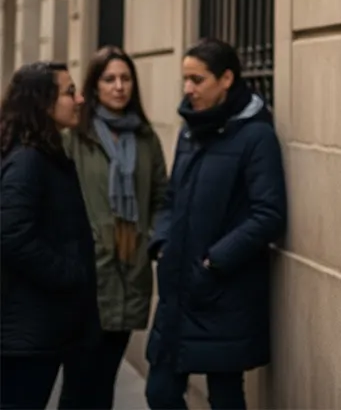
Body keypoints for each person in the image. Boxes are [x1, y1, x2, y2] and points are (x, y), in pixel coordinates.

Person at [145, 38, 287, 410]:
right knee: (159, 392)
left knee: (225, 396)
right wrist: (161, 242)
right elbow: (171, 197)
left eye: (197, 79)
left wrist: (213, 262)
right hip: (177, 288)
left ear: (226, 79)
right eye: (185, 80)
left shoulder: (256, 136)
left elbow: (268, 213)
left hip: (222, 291)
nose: (189, 89)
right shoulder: (189, 130)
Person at [60, 46, 169, 410]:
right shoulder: (76, 138)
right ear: (94, 87)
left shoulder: (145, 138)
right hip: (88, 276)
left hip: (131, 269)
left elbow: (161, 197)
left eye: (125, 79)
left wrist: (150, 239)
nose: (119, 87)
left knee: (105, 379)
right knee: (79, 385)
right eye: (109, 79)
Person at [0, 62, 99, 410]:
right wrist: (68, 273)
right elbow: (12, 235)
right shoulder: (27, 161)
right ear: (44, 103)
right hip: (27, 331)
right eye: (70, 92)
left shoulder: (47, 154)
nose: (81, 99)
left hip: (44, 326)